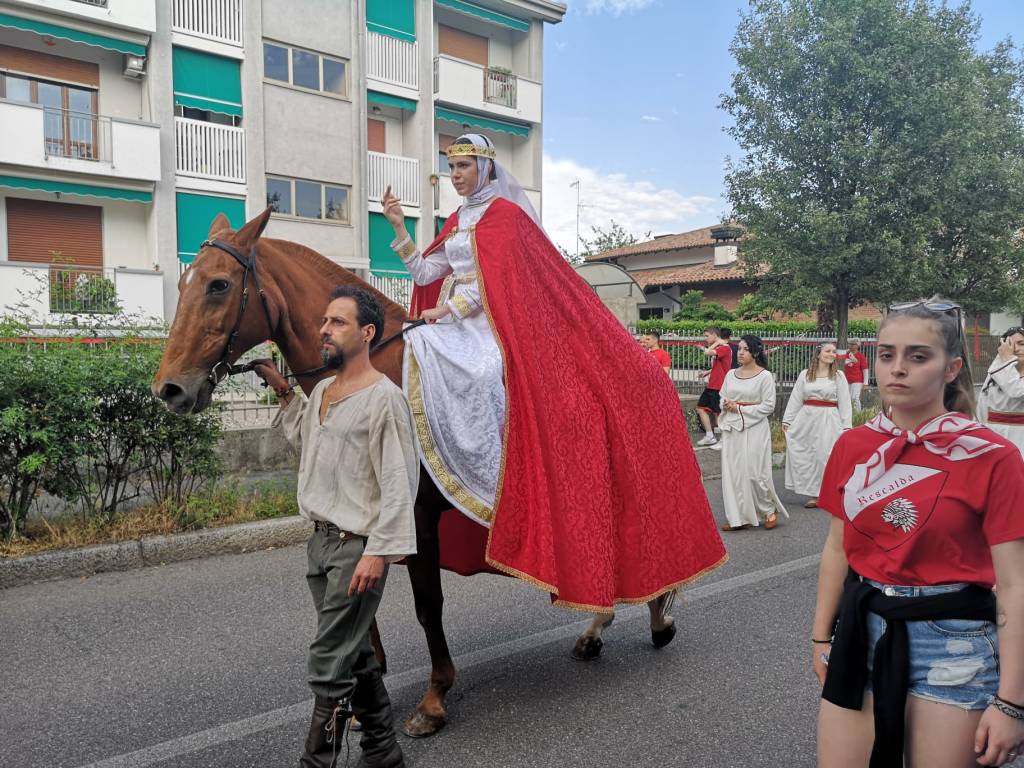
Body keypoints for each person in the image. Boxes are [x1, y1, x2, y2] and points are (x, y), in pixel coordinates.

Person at [379, 133, 726, 613]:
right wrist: (400, 230)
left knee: (481, 373)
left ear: (485, 169)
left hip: (494, 327)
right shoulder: (457, 220)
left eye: (463, 165)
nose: (455, 174)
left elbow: (502, 283)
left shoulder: (508, 218)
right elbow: (423, 274)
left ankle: (498, 466)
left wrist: (448, 312)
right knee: (415, 352)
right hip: (458, 319)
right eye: (452, 166)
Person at [810, 300, 1024, 768]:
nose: (898, 369)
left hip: (954, 642)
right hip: (861, 632)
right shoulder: (854, 446)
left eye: (918, 356)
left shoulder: (993, 456)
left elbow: (1014, 584)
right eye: (887, 355)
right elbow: (836, 549)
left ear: (951, 369)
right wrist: (820, 637)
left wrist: (1012, 702)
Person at [253, 286, 418, 768]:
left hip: (355, 549)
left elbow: (398, 480)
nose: (324, 329)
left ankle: (316, 761)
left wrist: (378, 551)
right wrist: (284, 389)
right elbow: (309, 439)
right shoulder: (324, 390)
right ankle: (383, 751)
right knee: (355, 649)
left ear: (366, 333)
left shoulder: (384, 400)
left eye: (338, 322)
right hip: (320, 543)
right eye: (325, 321)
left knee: (329, 660)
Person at [718, 335, 788, 531]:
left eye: (745, 349)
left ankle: (768, 509)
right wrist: (725, 404)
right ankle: (738, 517)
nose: (740, 352)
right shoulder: (730, 374)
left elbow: (768, 406)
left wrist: (740, 409)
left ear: (755, 352)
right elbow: (722, 396)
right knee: (734, 473)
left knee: (754, 472)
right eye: (739, 349)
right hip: (732, 428)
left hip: (755, 428)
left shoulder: (765, 376)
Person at [783, 342, 852, 509]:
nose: (831, 354)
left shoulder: (838, 376)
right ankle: (815, 495)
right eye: (828, 351)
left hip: (829, 419)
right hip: (806, 420)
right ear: (819, 354)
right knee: (808, 456)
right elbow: (796, 398)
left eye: (834, 351)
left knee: (825, 456)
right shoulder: (805, 375)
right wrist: (788, 420)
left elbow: (845, 402)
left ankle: (828, 493)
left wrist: (846, 426)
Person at [977, 326, 1024, 455]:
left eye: (1021, 344)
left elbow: (1016, 391)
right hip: (994, 436)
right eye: (1009, 345)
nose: (1015, 349)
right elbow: (982, 408)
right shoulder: (995, 374)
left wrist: (1008, 359)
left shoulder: (1001, 369)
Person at [696, 325, 733, 446]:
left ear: (715, 335)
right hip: (712, 385)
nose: (705, 339)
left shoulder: (724, 348)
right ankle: (710, 436)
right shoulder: (721, 348)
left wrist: (716, 343)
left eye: (707, 336)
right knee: (701, 408)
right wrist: (708, 372)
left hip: (719, 386)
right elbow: (720, 366)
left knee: (719, 413)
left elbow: (706, 352)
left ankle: (724, 440)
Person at [839, 340, 870, 411]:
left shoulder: (860, 356)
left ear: (857, 346)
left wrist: (865, 383)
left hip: (857, 380)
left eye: (853, 344)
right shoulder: (845, 355)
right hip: (846, 380)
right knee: (847, 398)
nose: (851, 346)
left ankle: (858, 414)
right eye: (850, 344)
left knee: (854, 398)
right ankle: (850, 413)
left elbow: (865, 370)